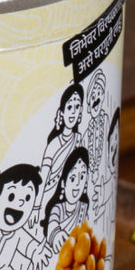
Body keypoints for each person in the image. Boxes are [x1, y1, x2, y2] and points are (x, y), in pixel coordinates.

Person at [39, 82, 84, 224]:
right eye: (69, 107)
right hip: (48, 195)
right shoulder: (54, 144)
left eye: (77, 107)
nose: (73, 112)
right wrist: (36, 207)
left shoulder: (78, 139)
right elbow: (44, 176)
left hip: (69, 195)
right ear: (62, 112)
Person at [41, 146, 91, 247]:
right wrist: (56, 235)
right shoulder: (57, 209)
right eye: (72, 178)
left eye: (82, 177)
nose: (77, 183)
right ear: (63, 184)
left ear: (86, 183)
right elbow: (52, 223)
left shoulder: (83, 208)